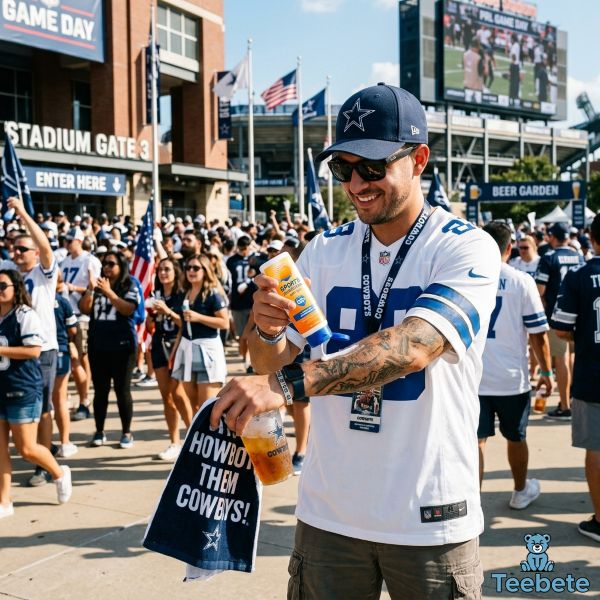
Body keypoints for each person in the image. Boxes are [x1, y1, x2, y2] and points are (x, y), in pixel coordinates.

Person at [211, 83, 500, 598]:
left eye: (372, 166)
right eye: (343, 168)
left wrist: (284, 383)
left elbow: (415, 346)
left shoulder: (465, 246)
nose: (356, 183)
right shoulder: (324, 249)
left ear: (419, 160)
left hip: (429, 515)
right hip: (330, 513)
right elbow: (264, 358)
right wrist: (266, 327)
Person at [478, 222, 554, 509]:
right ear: (509, 248)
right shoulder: (521, 281)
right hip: (511, 377)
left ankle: (474, 501)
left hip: (474, 376)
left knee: (476, 440)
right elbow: (538, 334)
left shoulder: (466, 277)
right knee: (516, 436)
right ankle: (520, 490)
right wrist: (546, 372)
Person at [0, 269, 71, 518]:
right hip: (1, 386)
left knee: (26, 448)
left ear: (15, 287)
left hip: (22, 387)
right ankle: (5, 501)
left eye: (3, 286)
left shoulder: (25, 315)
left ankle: (59, 473)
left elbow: (34, 351)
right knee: (0, 450)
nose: (0, 291)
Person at [0, 197, 59, 487]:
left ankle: (44, 465)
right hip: (14, 350)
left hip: (43, 348)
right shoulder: (10, 275)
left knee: (44, 407)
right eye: (14, 248)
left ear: (34, 252)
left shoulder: (43, 273)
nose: (17, 252)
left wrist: (22, 212)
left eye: (23, 249)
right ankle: (36, 455)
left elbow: (46, 247)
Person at [551, 214, 600, 542]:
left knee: (596, 448)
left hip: (592, 373)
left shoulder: (580, 276)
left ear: (593, 240)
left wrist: (581, 339)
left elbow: (561, 328)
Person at [80, 251, 140, 449]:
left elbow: (128, 309)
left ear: (120, 266)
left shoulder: (129, 285)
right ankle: (99, 431)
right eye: (104, 263)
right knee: (100, 391)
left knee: (122, 390)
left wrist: (109, 292)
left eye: (111, 263)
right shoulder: (97, 286)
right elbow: (84, 309)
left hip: (123, 347)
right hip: (98, 346)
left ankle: (126, 432)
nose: (106, 267)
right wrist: (90, 290)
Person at [535, 222, 584, 419]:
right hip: (579, 315)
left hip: (558, 316)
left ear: (553, 237)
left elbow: (540, 290)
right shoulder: (577, 255)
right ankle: (571, 397)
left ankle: (565, 405)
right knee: (571, 358)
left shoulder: (549, 257)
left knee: (561, 359)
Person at [148, 257, 193, 461]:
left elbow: (184, 323)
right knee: (166, 396)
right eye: (160, 270)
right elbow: (151, 325)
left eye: (167, 269)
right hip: (159, 344)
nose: (163, 273)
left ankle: (193, 437)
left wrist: (167, 311)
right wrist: (152, 316)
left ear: (175, 272)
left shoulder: (181, 295)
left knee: (178, 393)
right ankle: (174, 442)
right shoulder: (156, 294)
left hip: (177, 345)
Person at [172, 254, 229, 413]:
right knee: (194, 406)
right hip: (187, 350)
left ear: (205, 270)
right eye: (188, 267)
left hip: (208, 351)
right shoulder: (184, 293)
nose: (191, 271)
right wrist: (175, 351)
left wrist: (199, 317)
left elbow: (224, 323)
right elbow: (182, 327)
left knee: (207, 408)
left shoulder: (212, 294)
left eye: (196, 268)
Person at [61, 227, 102, 421]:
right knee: (73, 359)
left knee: (80, 357)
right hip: (66, 313)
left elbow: (96, 287)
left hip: (81, 313)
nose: (67, 244)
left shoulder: (90, 260)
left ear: (78, 240)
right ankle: (77, 397)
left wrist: (73, 288)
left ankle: (85, 399)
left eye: (70, 240)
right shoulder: (64, 261)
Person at [52, 272, 79, 457]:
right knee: (59, 398)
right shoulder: (62, 302)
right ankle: (65, 441)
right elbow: (73, 329)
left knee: (46, 401)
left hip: (49, 352)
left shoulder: (28, 302)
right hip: (60, 350)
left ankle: (47, 441)